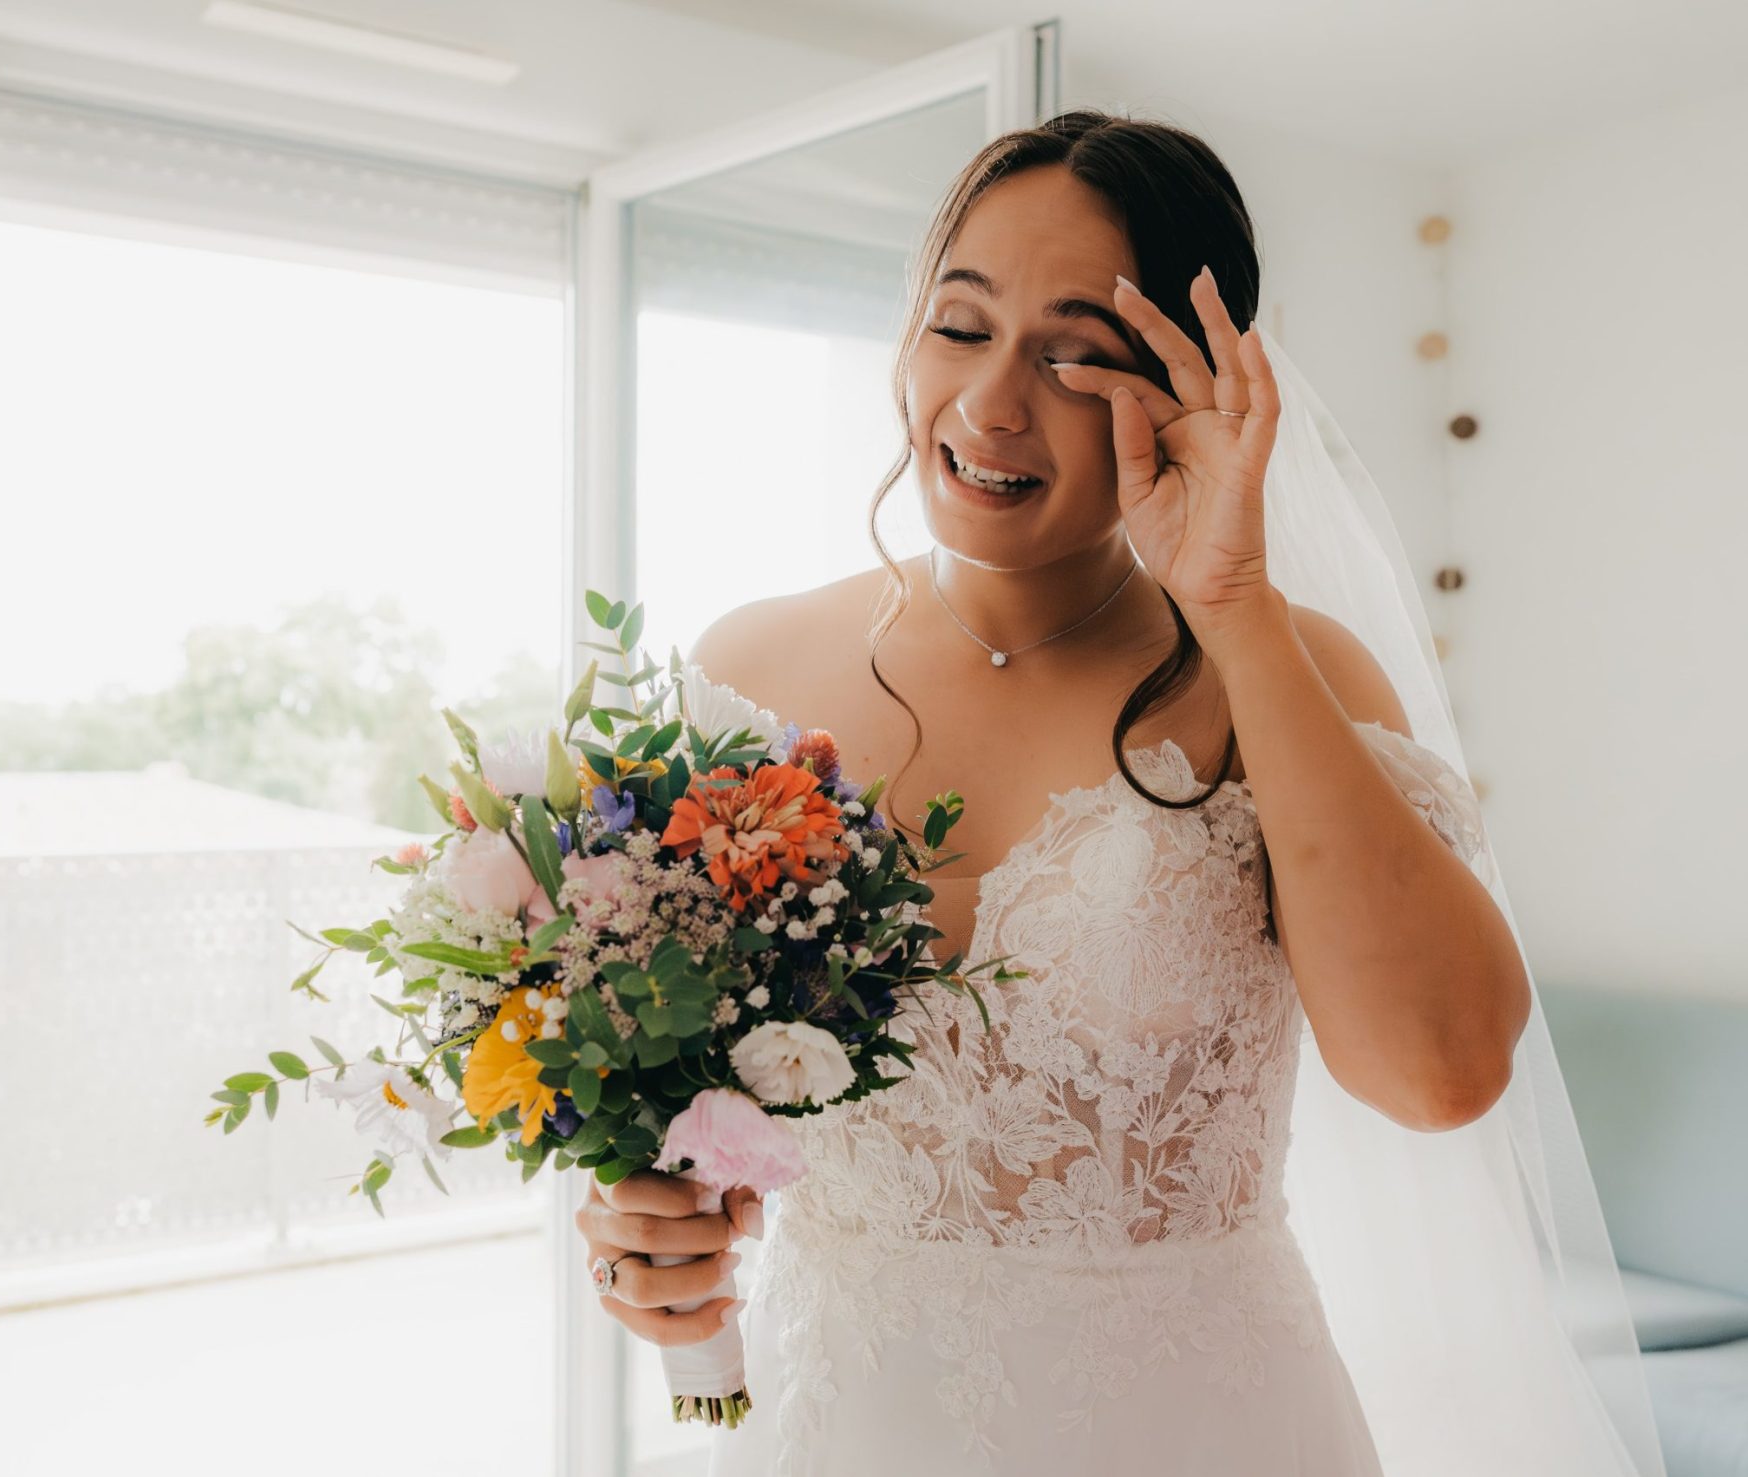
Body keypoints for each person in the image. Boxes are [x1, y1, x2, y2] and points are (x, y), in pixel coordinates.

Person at [574, 111, 1666, 1476]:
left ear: (1192, 386)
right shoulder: (750, 670)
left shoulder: (1281, 672)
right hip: (836, 1423)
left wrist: (1236, 607)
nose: (991, 404)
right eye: (961, 326)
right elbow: (668, 1107)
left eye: (1073, 353)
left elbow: (1442, 1072)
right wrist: (640, 1239)